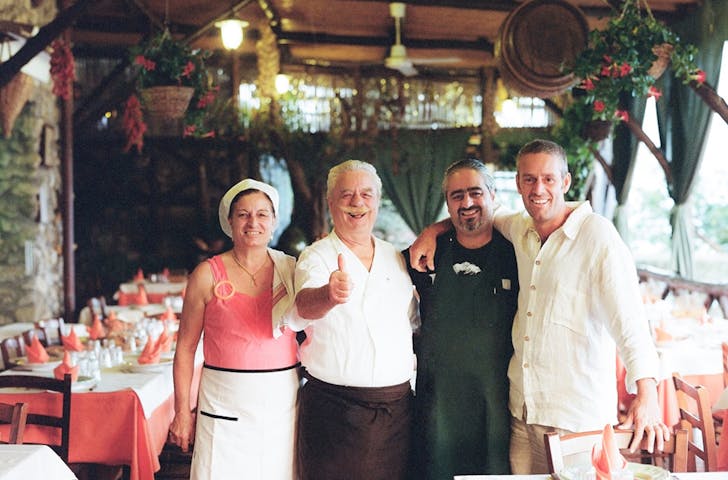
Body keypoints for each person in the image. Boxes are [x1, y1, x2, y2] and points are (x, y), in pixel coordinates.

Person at [409, 139, 669, 474]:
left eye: (548, 179)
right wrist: (432, 230)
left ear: (565, 182)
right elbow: (476, 212)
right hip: (523, 413)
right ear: (518, 184)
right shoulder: (520, 228)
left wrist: (647, 393)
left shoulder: (597, 235)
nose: (538, 189)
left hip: (576, 418)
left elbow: (630, 321)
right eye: (529, 179)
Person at [293, 159, 419, 480]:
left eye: (366, 194)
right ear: (330, 202)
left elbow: (410, 321)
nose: (357, 202)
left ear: (377, 200)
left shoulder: (395, 256)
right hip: (337, 413)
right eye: (346, 194)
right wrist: (328, 295)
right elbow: (304, 306)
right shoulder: (316, 256)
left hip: (397, 411)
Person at [169, 178, 300, 479]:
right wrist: (182, 412)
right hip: (223, 403)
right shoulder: (206, 275)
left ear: (274, 221)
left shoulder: (292, 270)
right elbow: (185, 349)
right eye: (243, 214)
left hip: (281, 404)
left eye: (262, 214)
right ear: (230, 222)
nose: (253, 222)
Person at [404, 158, 519, 478]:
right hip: (437, 406)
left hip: (495, 407)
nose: (467, 203)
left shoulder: (516, 252)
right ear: (447, 203)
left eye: (475, 192)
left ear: (493, 195)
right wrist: (432, 231)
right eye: (457, 196)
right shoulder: (424, 254)